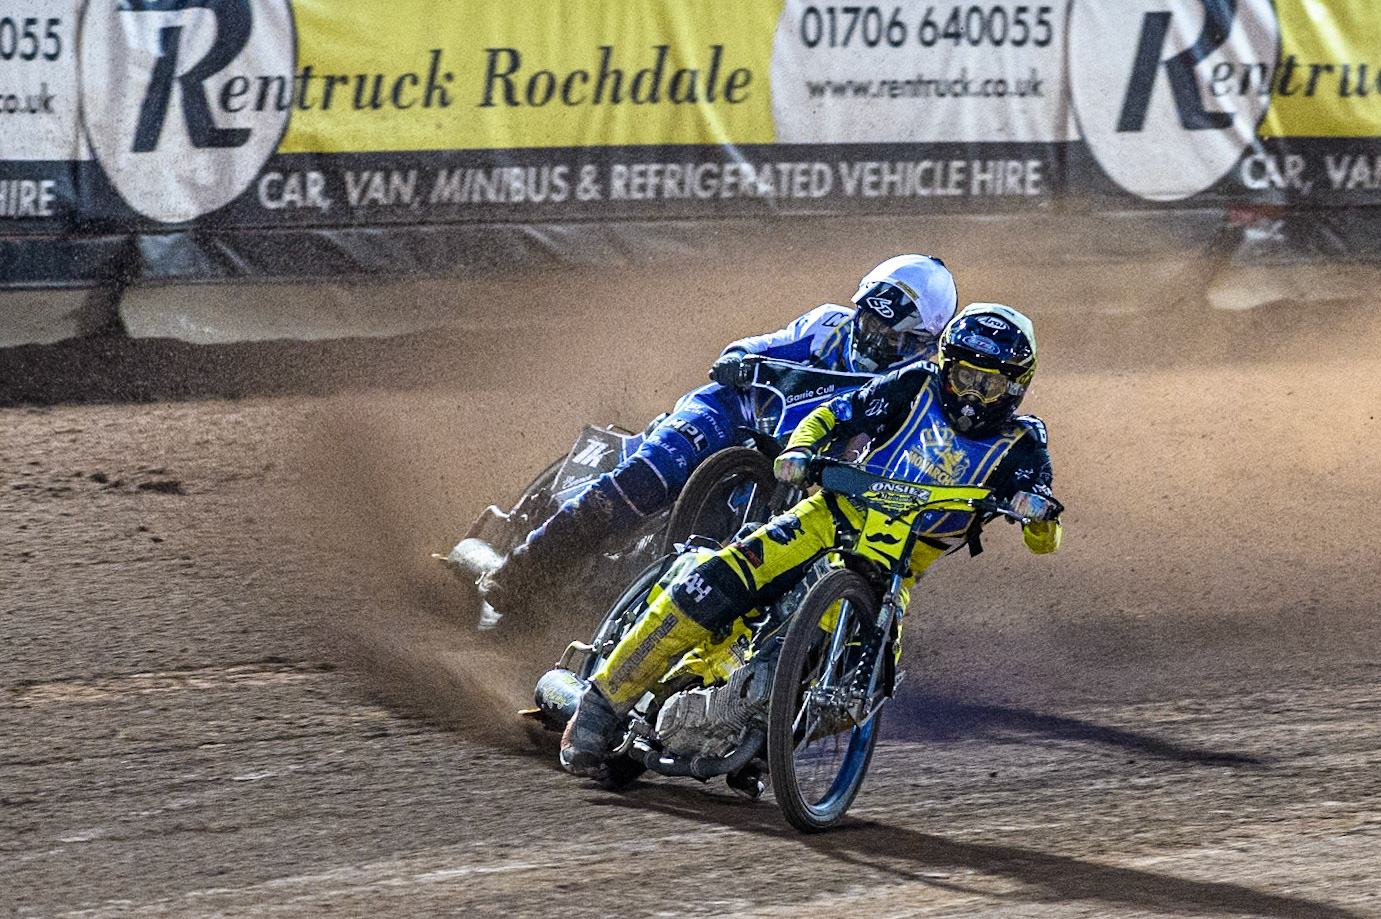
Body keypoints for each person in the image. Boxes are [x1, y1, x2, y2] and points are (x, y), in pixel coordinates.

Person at [559, 302, 1064, 777]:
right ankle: (600, 706)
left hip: (896, 565)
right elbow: (835, 415)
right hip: (828, 514)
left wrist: (1036, 513)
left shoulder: (1023, 443)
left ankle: (763, 738)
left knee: (863, 687)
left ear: (1015, 388)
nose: (973, 394)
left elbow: (1045, 534)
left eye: (989, 384)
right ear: (945, 367)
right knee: (712, 583)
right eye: (963, 376)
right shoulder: (914, 385)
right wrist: (801, 449)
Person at [465, 254, 961, 621]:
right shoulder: (828, 325)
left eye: (891, 333)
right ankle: (522, 571)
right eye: (870, 320)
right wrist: (739, 357)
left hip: (797, 473)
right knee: (649, 474)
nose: (873, 337)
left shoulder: (921, 388)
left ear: (925, 341)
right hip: (732, 415)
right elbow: (760, 345)